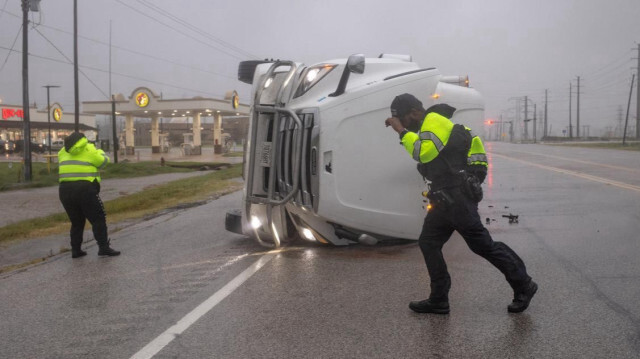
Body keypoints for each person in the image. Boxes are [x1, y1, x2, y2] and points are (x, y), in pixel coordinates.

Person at [385, 93, 536, 314]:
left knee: (483, 245)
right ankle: (439, 299)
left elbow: (423, 154)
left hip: (456, 199)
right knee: (428, 242)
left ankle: (524, 284)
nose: (404, 125)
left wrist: (401, 131)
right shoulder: (434, 124)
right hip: (445, 199)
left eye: (404, 119)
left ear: (415, 112)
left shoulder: (433, 121)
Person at [58, 132, 120, 258]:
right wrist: (100, 152)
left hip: (65, 190)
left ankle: (76, 250)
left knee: (76, 221)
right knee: (98, 218)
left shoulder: (62, 152)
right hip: (85, 189)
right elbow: (103, 162)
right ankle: (103, 247)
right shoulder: (89, 149)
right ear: (83, 140)